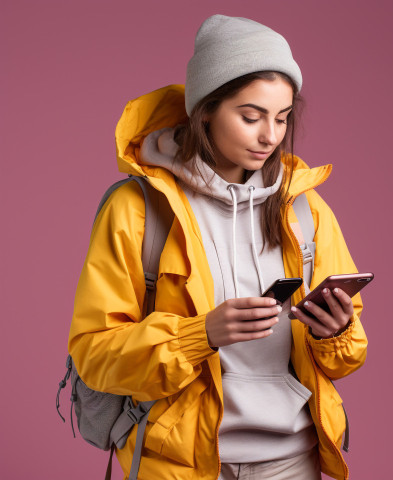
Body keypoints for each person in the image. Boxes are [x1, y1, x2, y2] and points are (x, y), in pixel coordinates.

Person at [68, 14, 368, 480]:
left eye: (282, 118)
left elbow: (347, 357)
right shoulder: (136, 208)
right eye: (251, 116)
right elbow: (94, 355)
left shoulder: (304, 210)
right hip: (175, 465)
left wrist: (336, 332)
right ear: (205, 108)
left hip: (291, 460)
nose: (270, 135)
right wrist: (201, 334)